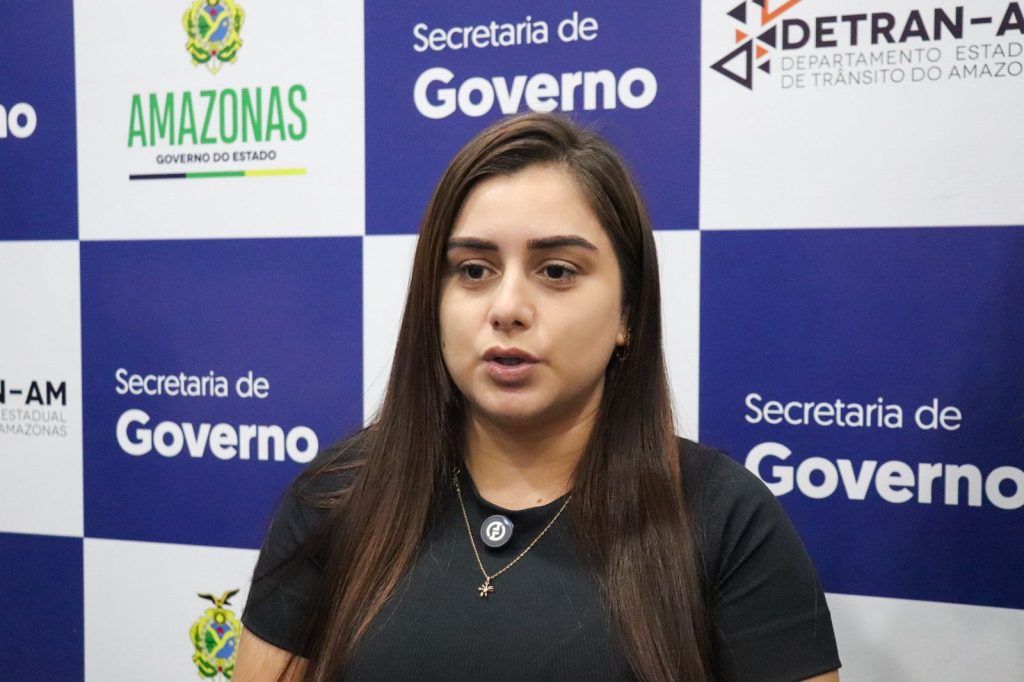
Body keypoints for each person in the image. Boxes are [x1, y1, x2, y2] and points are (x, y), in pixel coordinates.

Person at [234, 113, 841, 681]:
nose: (507, 309)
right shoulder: (337, 499)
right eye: (474, 270)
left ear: (628, 312)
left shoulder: (724, 519)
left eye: (556, 271)